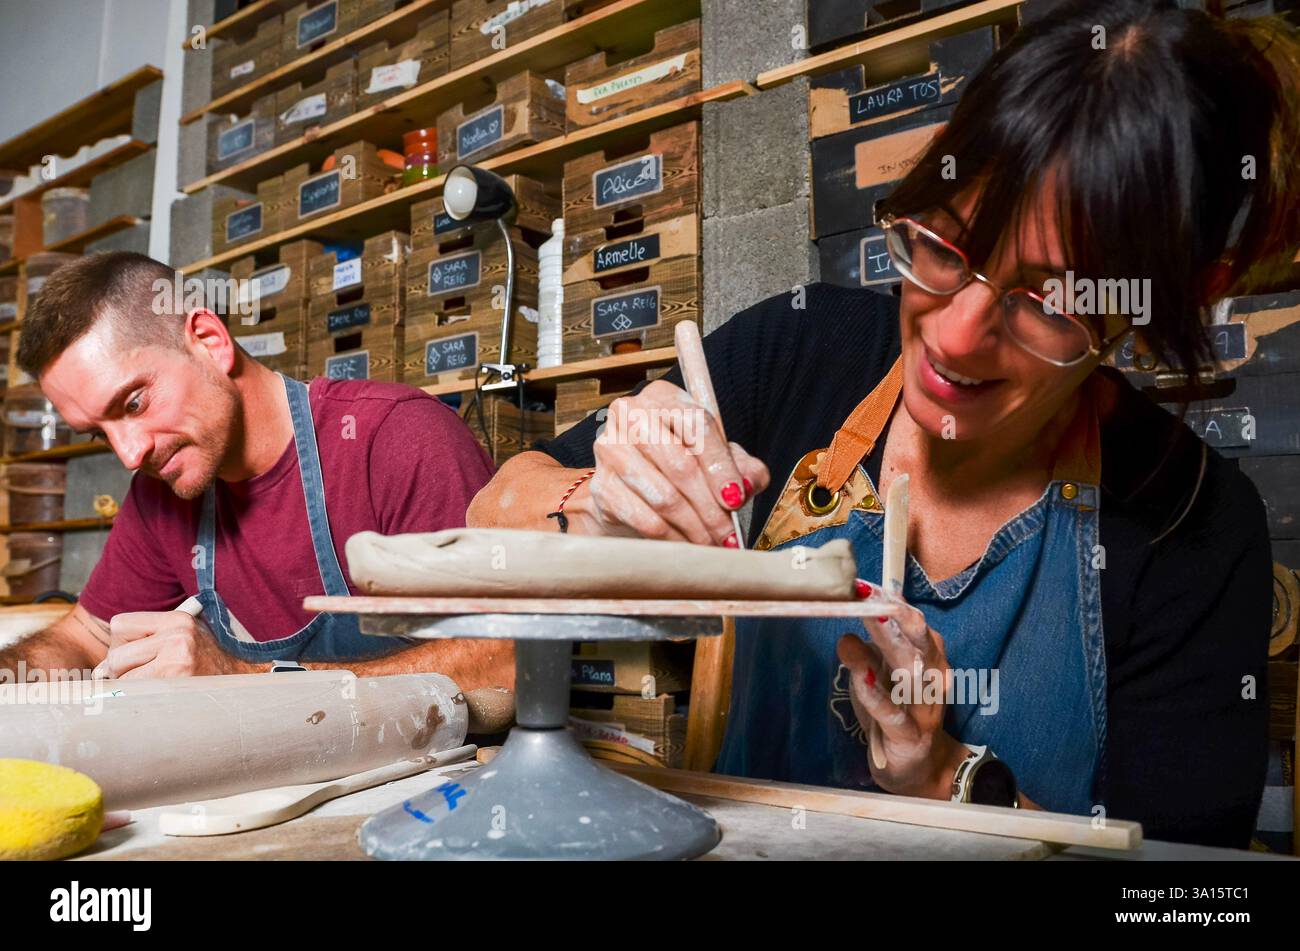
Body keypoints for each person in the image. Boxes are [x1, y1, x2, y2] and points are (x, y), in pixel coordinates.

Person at [467, 0, 1300, 846]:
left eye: (1046, 299)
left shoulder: (1190, 522)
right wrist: (603, 503)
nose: (955, 334)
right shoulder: (801, 347)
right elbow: (493, 506)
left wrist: (946, 778)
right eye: (943, 245)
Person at [1, 252, 512, 689]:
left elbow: (502, 661)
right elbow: (86, 638)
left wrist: (240, 677)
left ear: (208, 339)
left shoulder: (393, 438)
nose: (130, 454)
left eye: (134, 403)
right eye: (98, 432)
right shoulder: (161, 491)